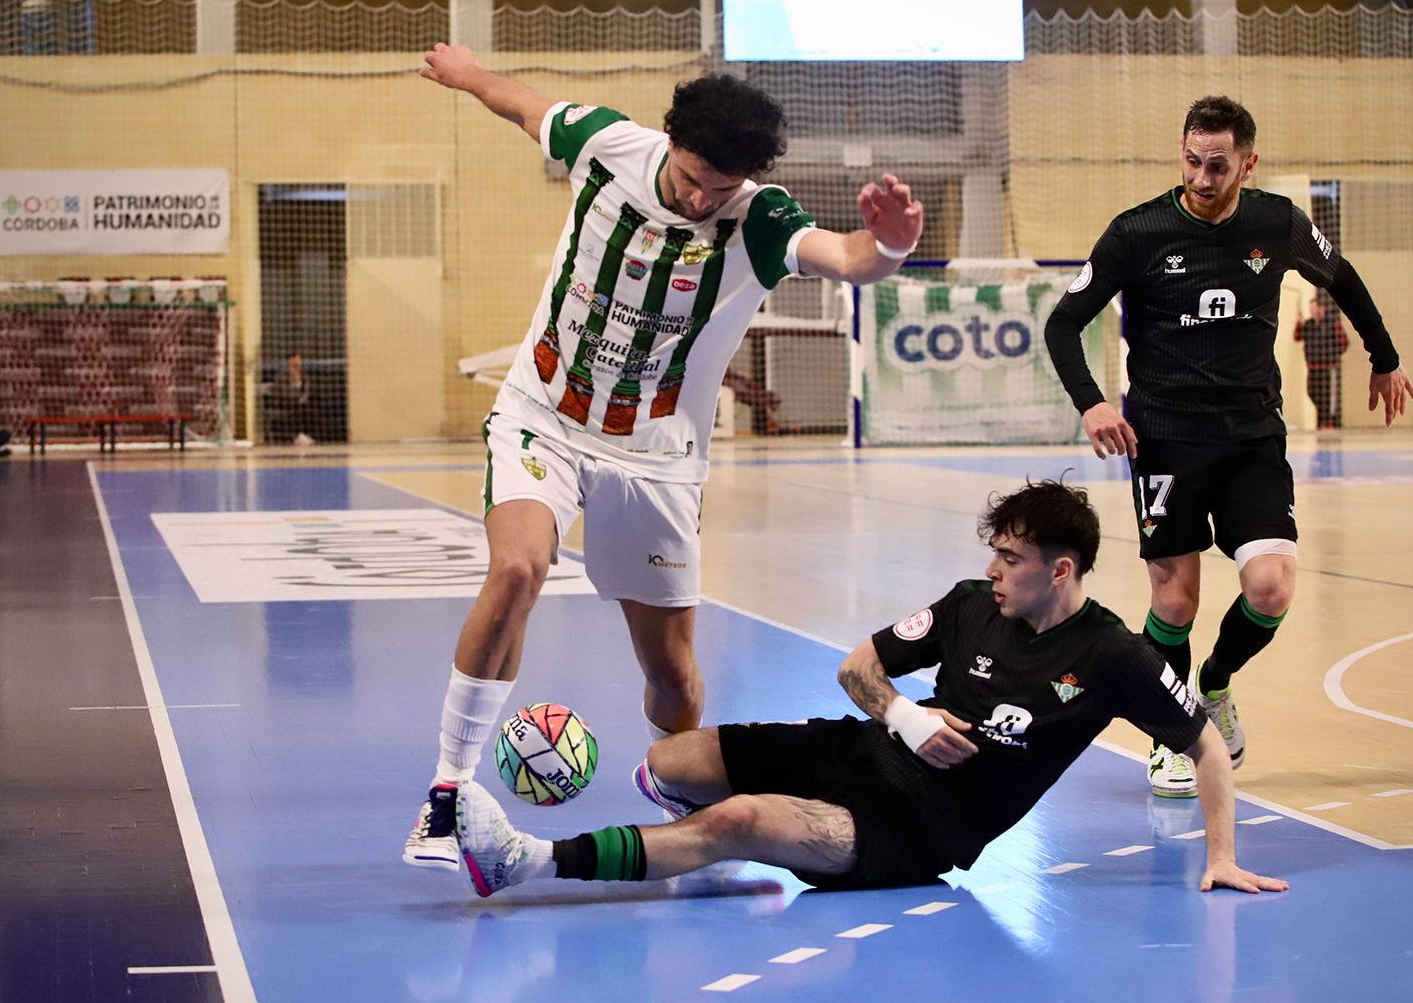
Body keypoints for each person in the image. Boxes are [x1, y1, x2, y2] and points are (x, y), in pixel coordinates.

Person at [402, 44, 925, 873]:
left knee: (675, 677)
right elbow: (521, 101)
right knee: (516, 571)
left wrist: (889, 245)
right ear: (670, 140)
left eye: (720, 187)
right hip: (546, 416)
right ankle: (446, 791)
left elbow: (850, 258)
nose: (699, 196)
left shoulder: (758, 217)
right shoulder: (607, 145)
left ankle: (684, 795)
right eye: (691, 176)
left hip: (655, 459)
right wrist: (466, 73)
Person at [443, 481, 1288, 899]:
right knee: (675, 757)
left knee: (736, 818)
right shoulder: (967, 605)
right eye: (992, 552)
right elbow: (857, 664)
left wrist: (1220, 855)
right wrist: (905, 714)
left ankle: (527, 861)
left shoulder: (1113, 654)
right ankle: (691, 848)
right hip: (862, 751)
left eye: (1011, 560)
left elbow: (1204, 741)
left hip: (916, 829)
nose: (993, 570)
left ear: (1059, 570)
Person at [1044, 95, 1413, 798]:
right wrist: (1092, 402)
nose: (1203, 176)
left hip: (1251, 435)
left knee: (1271, 588)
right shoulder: (1138, 231)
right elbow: (1064, 324)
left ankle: (1212, 684)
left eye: (1218, 164)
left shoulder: (1277, 222)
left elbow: (1344, 278)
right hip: (1163, 438)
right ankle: (1170, 733)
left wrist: (1385, 356)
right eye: (1192, 160)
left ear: (1249, 162)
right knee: (1175, 599)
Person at [1294, 290, 1349, 429]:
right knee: (1313, 393)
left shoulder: (1332, 324)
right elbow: (1297, 337)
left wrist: (1333, 356)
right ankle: (1323, 424)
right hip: (1313, 368)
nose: (1311, 310)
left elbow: (1345, 342)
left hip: (1328, 368)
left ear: (1321, 308)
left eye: (1313, 307)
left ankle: (1328, 425)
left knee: (1328, 400)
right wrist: (1298, 323)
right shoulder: (1308, 325)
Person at [265, 352, 315, 445]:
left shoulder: (303, 374)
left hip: (299, 401)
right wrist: (297, 397)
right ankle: (297, 435)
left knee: (308, 406)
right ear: (290, 360)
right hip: (284, 401)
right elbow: (283, 392)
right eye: (296, 359)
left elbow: (306, 390)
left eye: (299, 359)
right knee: (297, 407)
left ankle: (303, 434)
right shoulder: (282, 375)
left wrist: (303, 398)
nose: (298, 362)